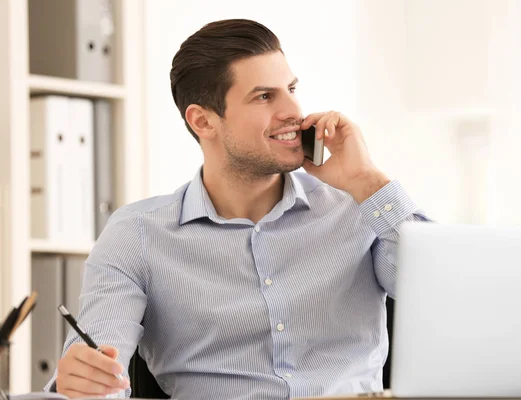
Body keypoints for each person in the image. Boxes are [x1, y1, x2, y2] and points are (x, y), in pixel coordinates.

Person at [45, 19, 428, 399]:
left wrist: (367, 181)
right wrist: (86, 379)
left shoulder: (359, 209)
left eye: (291, 89)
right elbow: (99, 366)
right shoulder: (137, 234)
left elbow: (444, 300)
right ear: (202, 121)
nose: (293, 110)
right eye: (264, 96)